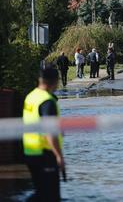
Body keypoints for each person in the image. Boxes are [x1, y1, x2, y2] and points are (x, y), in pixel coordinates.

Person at [23, 68, 65, 202]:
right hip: (45, 154)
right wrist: (59, 156)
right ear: (55, 81)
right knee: (51, 197)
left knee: (41, 193)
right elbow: (49, 132)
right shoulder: (47, 101)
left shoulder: (31, 96)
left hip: (30, 152)